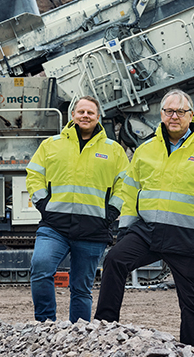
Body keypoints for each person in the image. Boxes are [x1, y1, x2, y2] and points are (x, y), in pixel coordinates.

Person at [94, 89, 194, 351]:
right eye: (169, 111)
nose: (174, 116)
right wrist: (126, 230)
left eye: (181, 112)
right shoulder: (146, 149)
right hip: (148, 232)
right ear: (161, 115)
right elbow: (131, 192)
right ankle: (104, 329)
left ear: (191, 116)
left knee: (192, 301)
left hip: (189, 236)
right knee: (115, 259)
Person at [26, 96, 128, 323]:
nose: (85, 116)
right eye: (81, 112)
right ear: (72, 116)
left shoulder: (113, 150)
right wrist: (44, 204)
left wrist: (111, 213)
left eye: (90, 113)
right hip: (54, 226)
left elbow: (125, 184)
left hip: (94, 230)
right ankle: (45, 325)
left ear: (98, 117)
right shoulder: (51, 145)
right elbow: (34, 175)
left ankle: (78, 334)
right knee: (40, 269)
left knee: (81, 288)